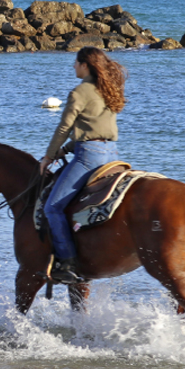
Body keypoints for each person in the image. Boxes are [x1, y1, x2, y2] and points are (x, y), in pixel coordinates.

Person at [38, 46, 126, 284]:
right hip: (111, 154)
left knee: (52, 208)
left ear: (85, 65)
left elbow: (64, 129)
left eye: (76, 63)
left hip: (89, 156)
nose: (73, 66)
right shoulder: (109, 89)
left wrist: (48, 157)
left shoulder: (79, 91)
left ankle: (67, 262)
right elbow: (92, 128)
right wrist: (64, 150)